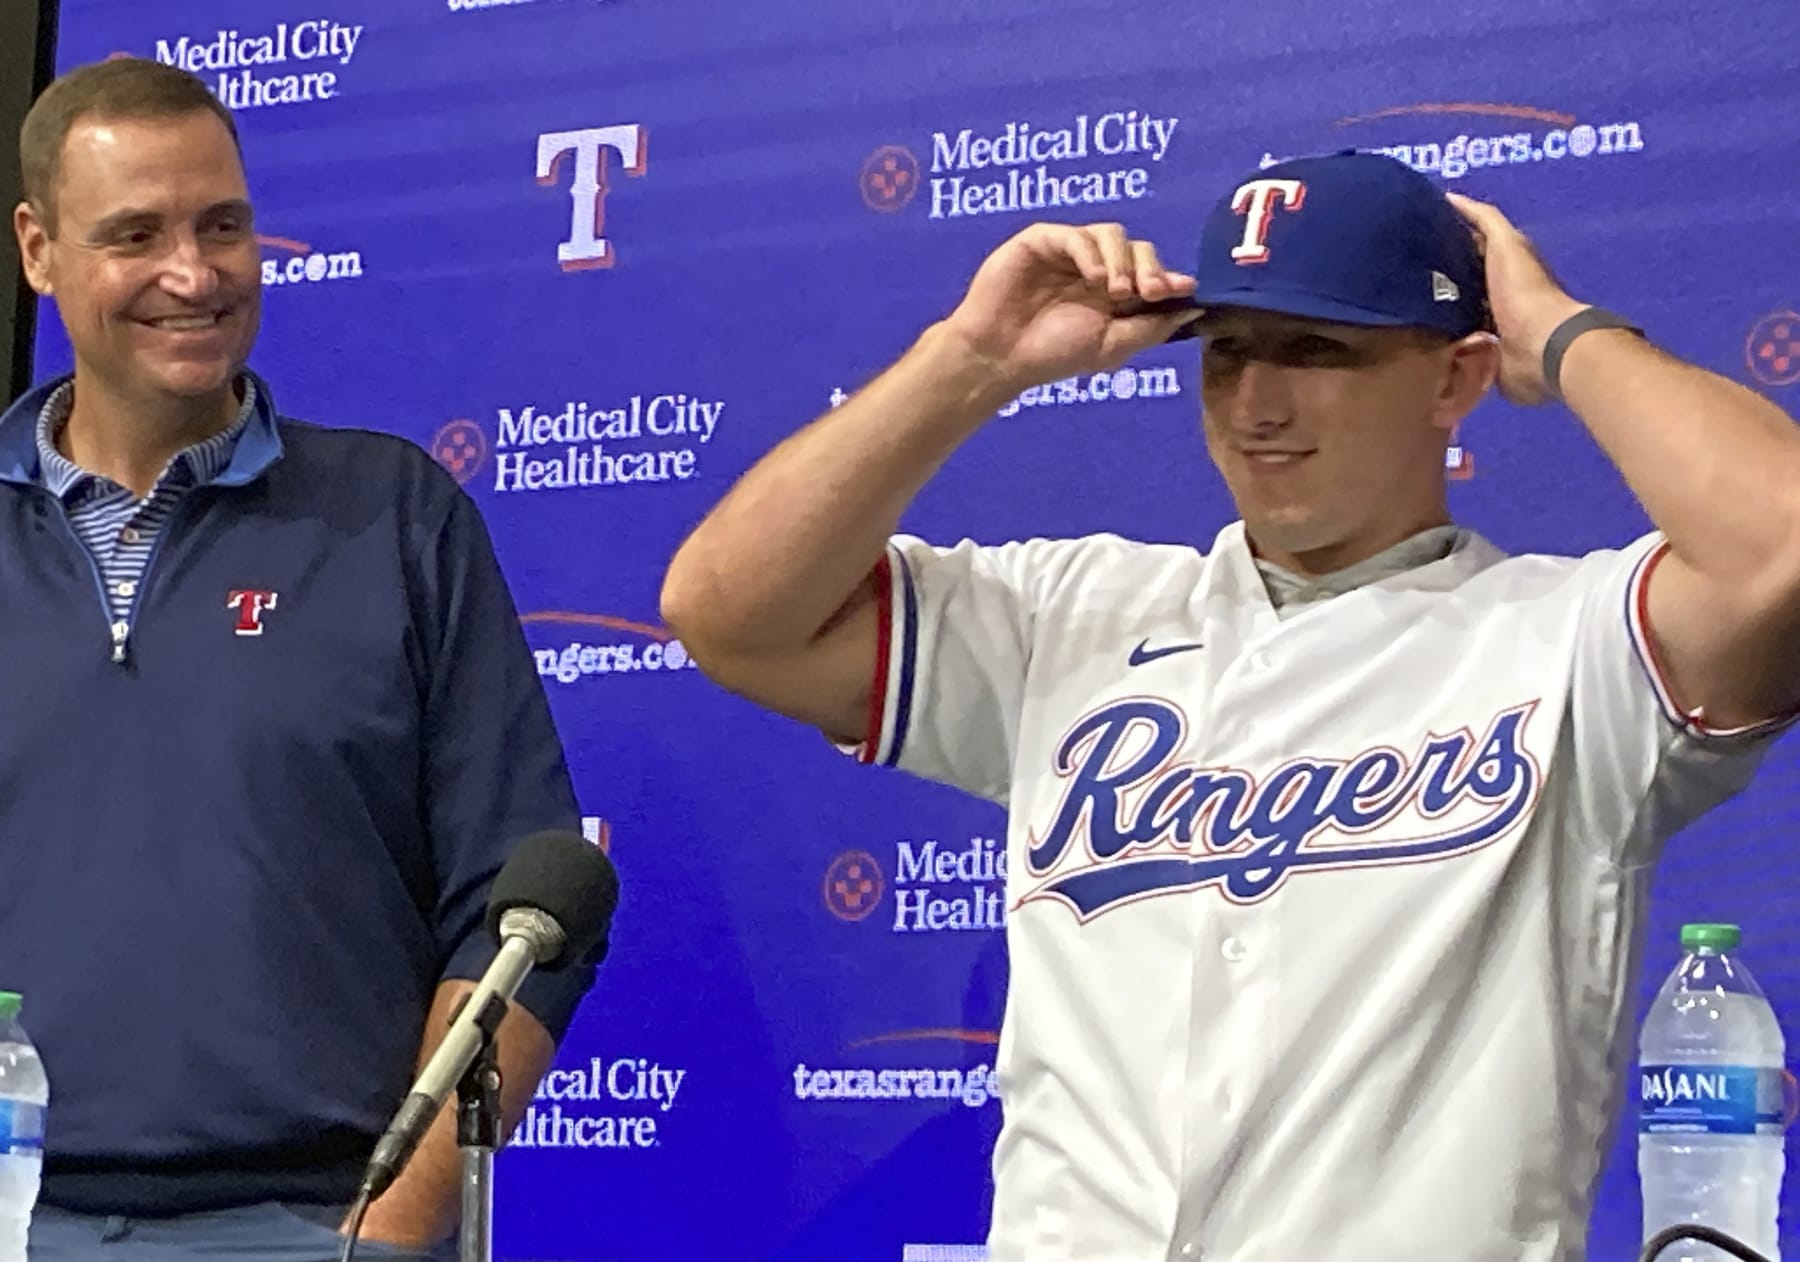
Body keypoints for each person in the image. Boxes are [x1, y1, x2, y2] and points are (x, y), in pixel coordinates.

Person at [660, 150, 1800, 1260]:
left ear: (1454, 378)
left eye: (1316, 348)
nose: (1255, 402)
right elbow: (729, 611)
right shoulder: (1069, 613)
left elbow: (1780, 544)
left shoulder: (1568, 642)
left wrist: (1555, 328)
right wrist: (973, 358)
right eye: (1227, 350)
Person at [3, 58, 597, 1260]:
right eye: (136, 234)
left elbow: (522, 921)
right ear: (39, 250)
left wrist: (393, 1225)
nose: (195, 272)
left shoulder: (394, 518)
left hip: (314, 1223)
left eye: (222, 224)